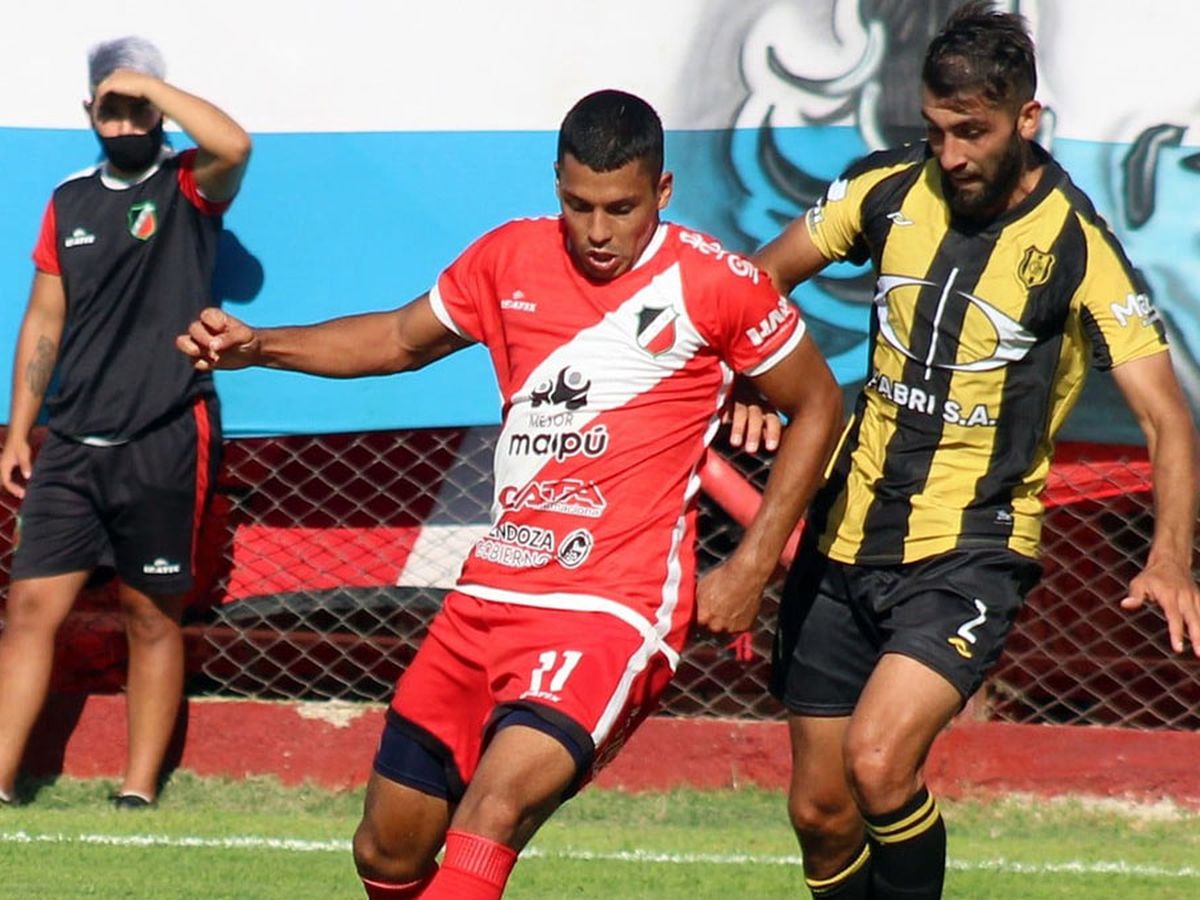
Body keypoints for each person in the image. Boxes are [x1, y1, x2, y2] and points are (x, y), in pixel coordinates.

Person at [177, 89, 842, 898]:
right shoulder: (509, 259)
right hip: (490, 596)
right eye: (578, 205)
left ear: (662, 193)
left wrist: (750, 564)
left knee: (488, 816)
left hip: (613, 612)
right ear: (556, 186)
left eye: (621, 208)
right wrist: (260, 346)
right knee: (387, 850)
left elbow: (817, 405)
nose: (598, 231)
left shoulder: (716, 284)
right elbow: (396, 339)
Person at [750, 3, 1200, 898]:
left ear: (1026, 120)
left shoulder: (1076, 244)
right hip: (845, 539)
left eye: (972, 132)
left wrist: (1172, 558)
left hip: (968, 554)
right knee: (821, 812)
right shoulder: (884, 189)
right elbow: (757, 282)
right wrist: (752, 377)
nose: (950, 154)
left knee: (879, 765)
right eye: (935, 130)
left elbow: (1166, 417)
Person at [0, 36, 251, 808]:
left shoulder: (189, 184)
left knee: (150, 613)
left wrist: (149, 86)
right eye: (109, 108)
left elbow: (233, 143)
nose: (123, 122)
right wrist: (18, 431)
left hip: (165, 433)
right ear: (89, 113)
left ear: (156, 106)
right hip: (73, 442)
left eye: (137, 106)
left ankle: (137, 789)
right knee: (30, 609)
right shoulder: (69, 200)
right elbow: (45, 317)